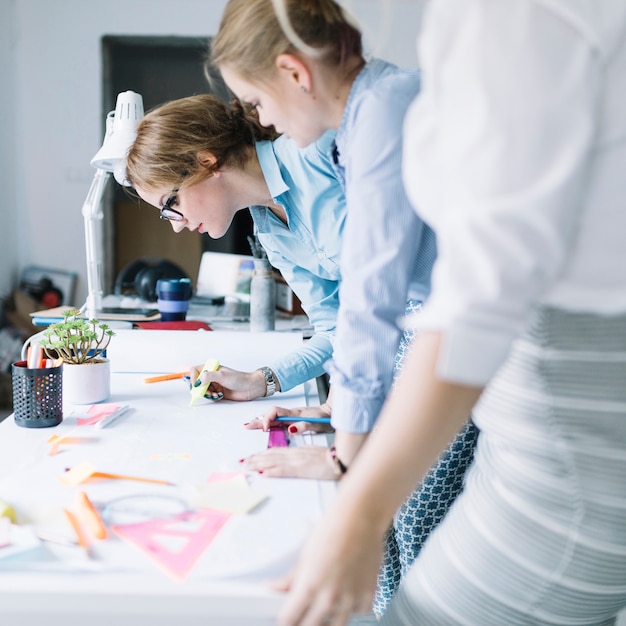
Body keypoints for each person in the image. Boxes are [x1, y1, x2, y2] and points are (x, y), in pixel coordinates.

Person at [267, 1, 626, 625]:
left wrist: (358, 507)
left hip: (568, 450)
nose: (263, 122)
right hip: (532, 424)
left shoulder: (509, 20)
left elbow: (469, 298)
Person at [211, 0, 478, 615]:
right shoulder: (359, 124)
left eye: (256, 103)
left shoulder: (381, 110)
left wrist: (345, 462)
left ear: (293, 73)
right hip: (445, 331)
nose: (261, 120)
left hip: (472, 337)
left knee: (405, 525)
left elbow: (371, 295)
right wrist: (344, 442)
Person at [125, 94, 345, 401]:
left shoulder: (316, 150)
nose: (176, 224)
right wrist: (261, 380)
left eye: (170, 203)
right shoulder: (270, 234)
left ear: (206, 161)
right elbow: (335, 331)